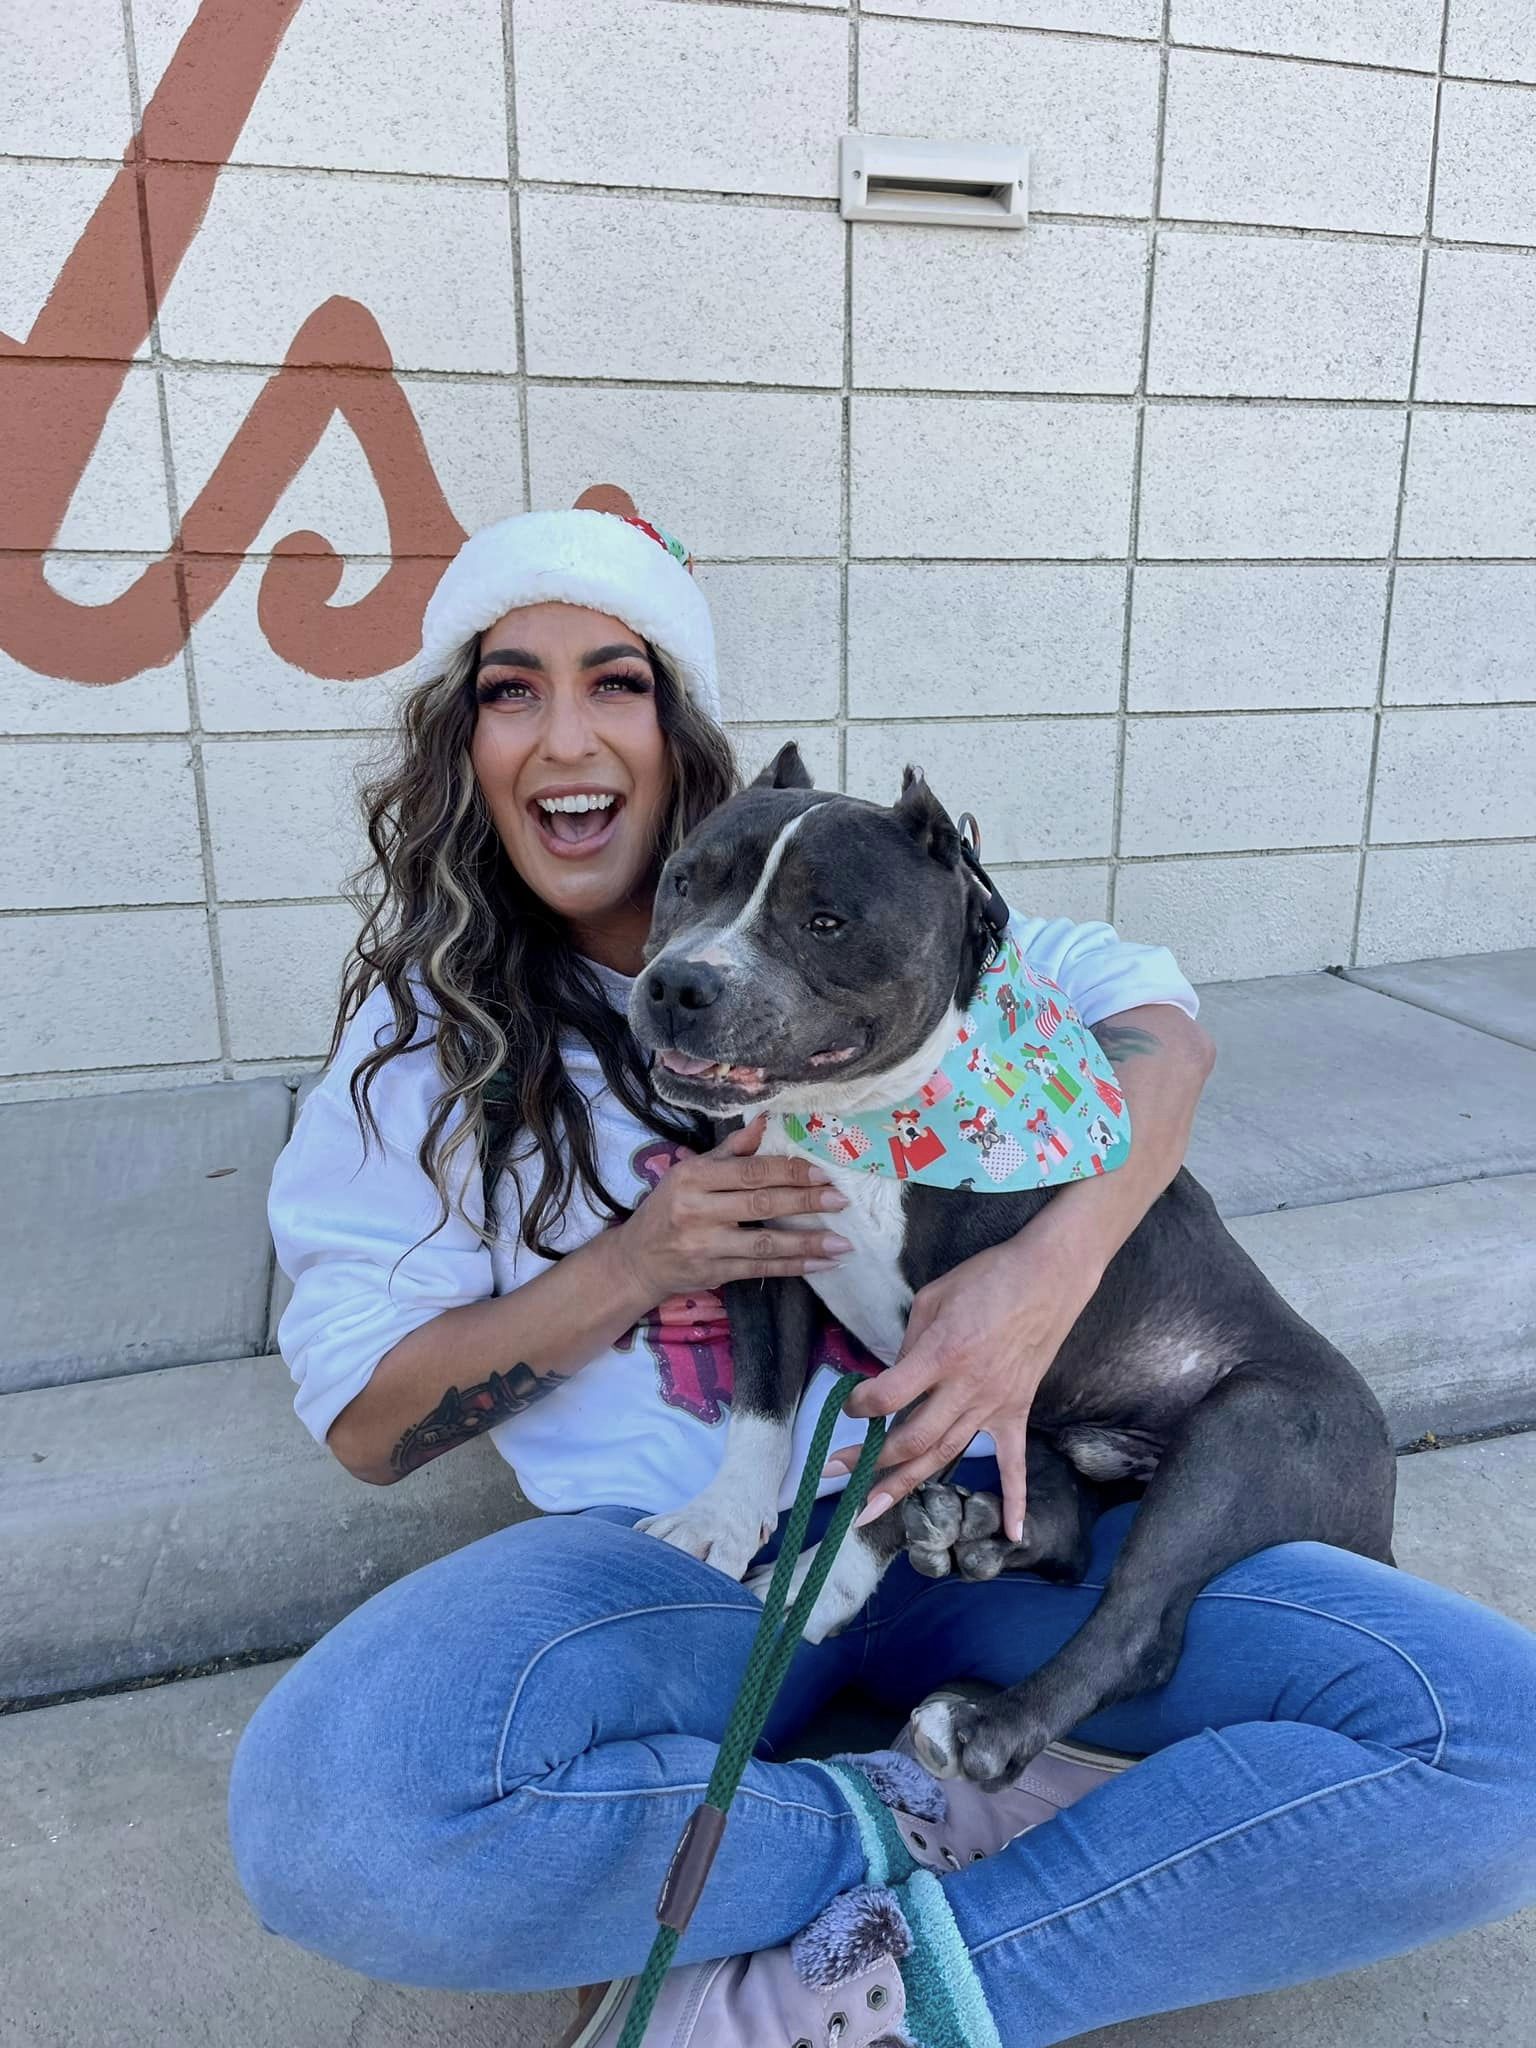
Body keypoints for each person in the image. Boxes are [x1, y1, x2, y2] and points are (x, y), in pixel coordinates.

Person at [230, 492, 1536, 2048]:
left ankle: (858, 1986)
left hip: (1011, 1531)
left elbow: (1164, 1041)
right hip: (691, 1561)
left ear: (680, 737)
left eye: (617, 683)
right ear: (463, 747)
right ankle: (894, 1833)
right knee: (336, 1818)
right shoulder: (412, 1064)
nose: (567, 737)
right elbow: (373, 1427)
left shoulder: (875, 909)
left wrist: (1046, 1274)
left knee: (1497, 1744)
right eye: (512, 689)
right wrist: (642, 1259)